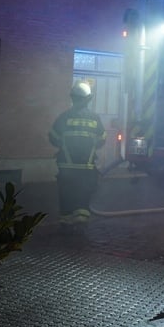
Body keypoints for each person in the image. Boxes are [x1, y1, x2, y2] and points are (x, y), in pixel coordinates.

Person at [49, 80, 106, 225]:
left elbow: (53, 138)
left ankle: (66, 219)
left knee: (66, 191)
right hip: (86, 167)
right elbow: (101, 140)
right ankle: (81, 219)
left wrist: (65, 144)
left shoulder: (64, 117)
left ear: (72, 98)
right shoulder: (95, 118)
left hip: (66, 166)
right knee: (84, 191)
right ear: (89, 99)